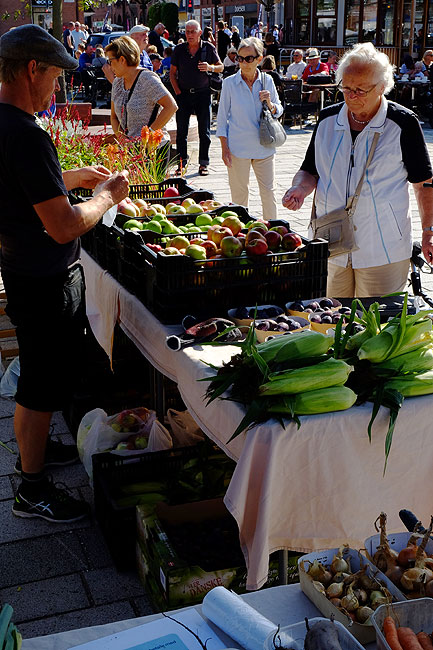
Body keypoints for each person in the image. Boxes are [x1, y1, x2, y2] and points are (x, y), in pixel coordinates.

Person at [0, 24, 129, 523]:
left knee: (41, 374)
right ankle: (31, 489)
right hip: (43, 275)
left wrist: (68, 178)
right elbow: (62, 225)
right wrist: (104, 197)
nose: (55, 89)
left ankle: (33, 456)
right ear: (32, 70)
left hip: (23, 269)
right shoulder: (25, 133)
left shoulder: (5, 123)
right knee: (37, 383)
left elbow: (21, 188)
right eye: (53, 78)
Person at [282, 42, 433, 297]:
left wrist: (429, 231)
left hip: (383, 247)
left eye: (360, 90)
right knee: (330, 321)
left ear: (382, 87)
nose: (351, 96)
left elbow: (424, 183)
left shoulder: (403, 123)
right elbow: (310, 170)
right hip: (331, 244)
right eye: (346, 88)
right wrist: (299, 188)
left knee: (376, 327)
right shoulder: (328, 120)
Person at [217, 37, 283, 218]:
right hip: (238, 148)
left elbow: (279, 111)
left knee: (269, 194)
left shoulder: (267, 80)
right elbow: (222, 119)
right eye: (240, 58)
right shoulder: (229, 83)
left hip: (265, 147)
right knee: (239, 198)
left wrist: (269, 102)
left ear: (259, 59)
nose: (243, 63)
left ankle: (273, 232)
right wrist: (224, 149)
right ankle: (239, 235)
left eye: (248, 59)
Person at [170, 19, 223, 176]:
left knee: (204, 131)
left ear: (200, 33)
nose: (190, 34)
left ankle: (203, 163)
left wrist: (210, 67)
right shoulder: (179, 49)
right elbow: (172, 74)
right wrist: (178, 92)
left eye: (193, 31)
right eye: (187, 31)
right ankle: (181, 164)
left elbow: (221, 66)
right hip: (184, 94)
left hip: (203, 93)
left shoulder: (208, 47)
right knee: (181, 132)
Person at [105, 36, 177, 142]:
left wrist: (148, 134)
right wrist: (123, 140)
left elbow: (171, 106)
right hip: (130, 151)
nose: (109, 66)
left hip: (154, 149)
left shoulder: (147, 79)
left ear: (122, 60)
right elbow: (114, 117)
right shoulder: (117, 82)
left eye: (110, 61)